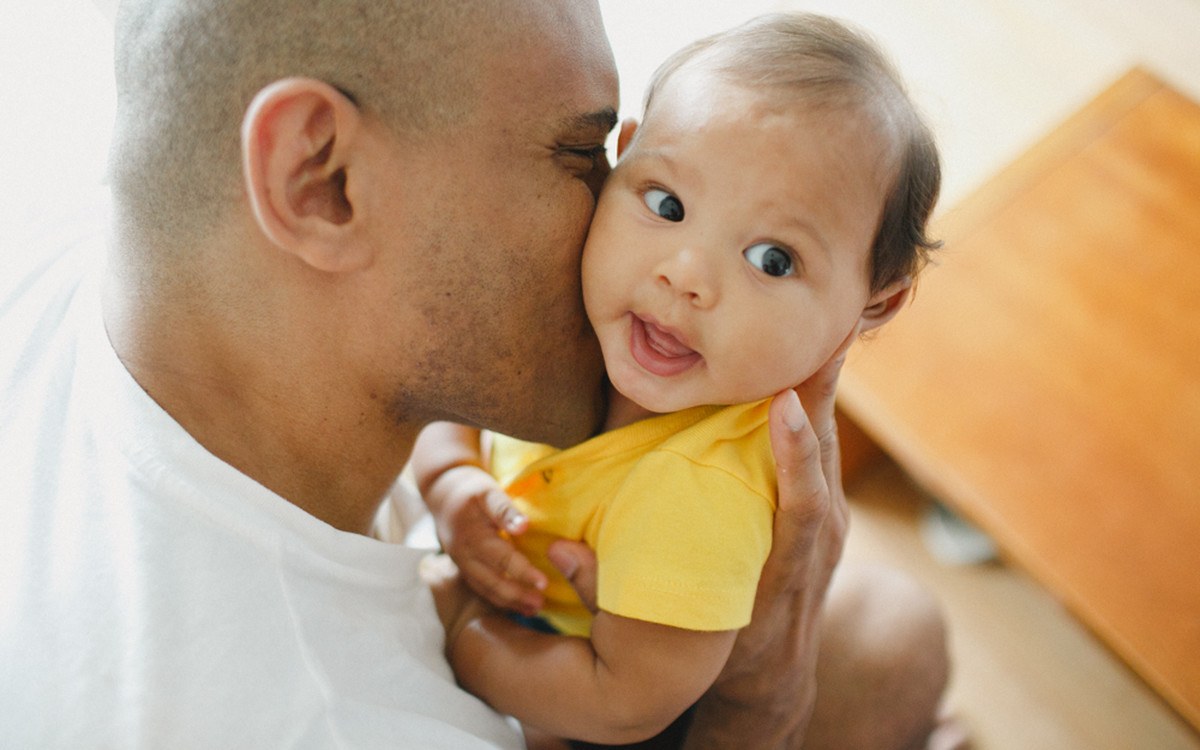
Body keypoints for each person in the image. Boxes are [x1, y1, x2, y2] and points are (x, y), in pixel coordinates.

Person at [0, 0, 951, 748]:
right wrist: (763, 713)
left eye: (772, 258)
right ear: (323, 179)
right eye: (584, 152)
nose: (676, 272)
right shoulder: (338, 721)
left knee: (885, 634)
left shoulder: (91, 251)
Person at [413, 13, 942, 748]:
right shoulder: (581, 302)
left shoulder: (705, 489)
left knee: (901, 626)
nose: (685, 275)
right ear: (622, 158)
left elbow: (622, 702)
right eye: (667, 205)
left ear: (872, 306)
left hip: (579, 700)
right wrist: (446, 479)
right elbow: (452, 399)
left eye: (773, 259)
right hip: (511, 590)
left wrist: (466, 631)